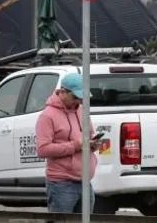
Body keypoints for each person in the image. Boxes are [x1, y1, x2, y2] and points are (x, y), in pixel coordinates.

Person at [36, 72, 97, 214]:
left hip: (85, 181)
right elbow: (42, 149)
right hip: (61, 183)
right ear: (62, 92)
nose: (79, 101)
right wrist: (75, 145)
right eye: (76, 97)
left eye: (81, 98)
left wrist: (93, 144)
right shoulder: (47, 116)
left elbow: (89, 136)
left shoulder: (82, 111)